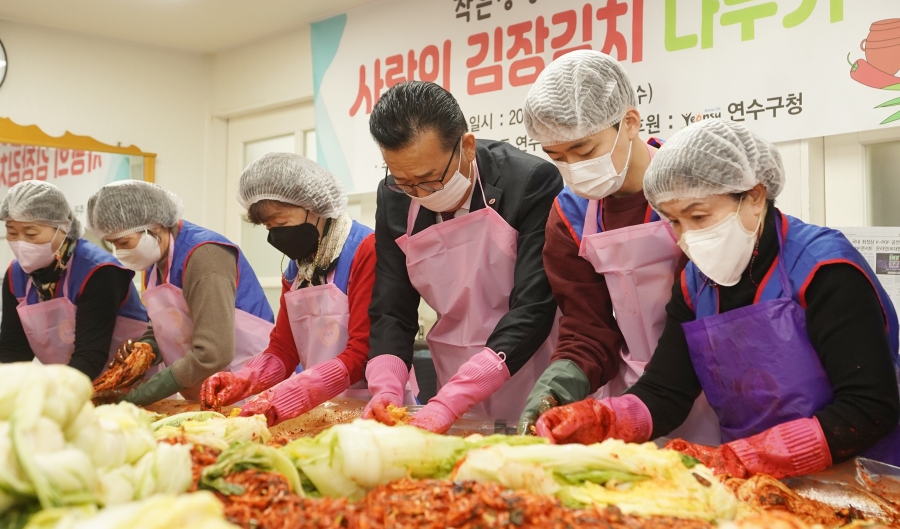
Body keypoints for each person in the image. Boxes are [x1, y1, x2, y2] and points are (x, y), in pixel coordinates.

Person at [535, 119, 900, 477]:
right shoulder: (695, 285)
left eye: (699, 216)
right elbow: (666, 391)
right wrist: (605, 419)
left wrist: (746, 459)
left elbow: (869, 407)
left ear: (755, 196)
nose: (687, 238)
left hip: (863, 482)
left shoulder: (824, 269)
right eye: (675, 222)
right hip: (756, 487)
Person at [516, 51, 720, 443]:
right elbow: (588, 327)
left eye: (585, 151)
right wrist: (559, 386)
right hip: (630, 395)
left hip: (717, 385)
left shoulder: (695, 190)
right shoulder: (570, 214)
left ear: (629, 122)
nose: (573, 168)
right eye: (557, 157)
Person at [363, 81, 562, 433]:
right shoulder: (393, 197)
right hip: (452, 369)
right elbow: (392, 306)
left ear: (467, 147)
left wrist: (456, 396)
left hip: (529, 365)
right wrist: (386, 385)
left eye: (429, 180)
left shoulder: (529, 180)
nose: (418, 194)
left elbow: (534, 305)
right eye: (403, 181)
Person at [200, 153, 403, 425]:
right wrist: (242, 379)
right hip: (321, 406)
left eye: (281, 223)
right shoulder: (298, 268)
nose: (276, 236)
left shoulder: (365, 250)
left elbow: (363, 351)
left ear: (315, 206)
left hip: (372, 404)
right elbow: (284, 348)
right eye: (269, 228)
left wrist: (293, 393)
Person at [87, 180, 274, 404]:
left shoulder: (205, 257)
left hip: (249, 392)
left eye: (124, 242)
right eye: (112, 244)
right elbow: (167, 325)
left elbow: (213, 353)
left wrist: (137, 396)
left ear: (154, 226)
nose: (120, 252)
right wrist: (145, 350)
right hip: (208, 393)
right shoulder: (155, 261)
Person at [0, 180, 147, 379]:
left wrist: (57, 397)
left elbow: (90, 355)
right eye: (12, 232)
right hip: (70, 384)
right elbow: (14, 350)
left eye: (31, 233)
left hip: (127, 383)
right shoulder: (14, 276)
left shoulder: (99, 271)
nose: (21, 243)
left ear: (62, 228)